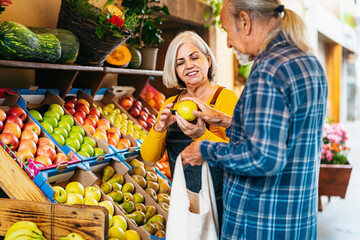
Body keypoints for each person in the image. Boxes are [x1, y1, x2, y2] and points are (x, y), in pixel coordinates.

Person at [180, 0, 328, 239]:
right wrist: (226, 120)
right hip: (296, 220)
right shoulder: (308, 61)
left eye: (227, 30)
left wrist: (204, 149)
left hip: (260, 223)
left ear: (245, 22)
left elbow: (264, 157)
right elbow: (284, 135)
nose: (227, 42)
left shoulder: (269, 69)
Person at [140, 31, 238, 227]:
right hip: (184, 201)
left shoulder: (226, 99)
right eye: (180, 62)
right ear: (175, 70)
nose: (189, 65)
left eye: (195, 57)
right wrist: (159, 128)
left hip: (222, 201)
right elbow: (149, 157)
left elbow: (236, 155)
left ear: (208, 60)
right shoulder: (171, 103)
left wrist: (203, 136)